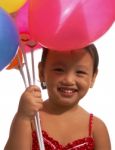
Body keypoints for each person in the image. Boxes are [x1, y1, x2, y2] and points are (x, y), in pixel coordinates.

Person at [4, 44, 111, 150]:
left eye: (80, 72)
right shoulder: (30, 118)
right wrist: (23, 118)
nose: (69, 80)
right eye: (59, 70)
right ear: (41, 72)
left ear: (93, 77)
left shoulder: (96, 129)